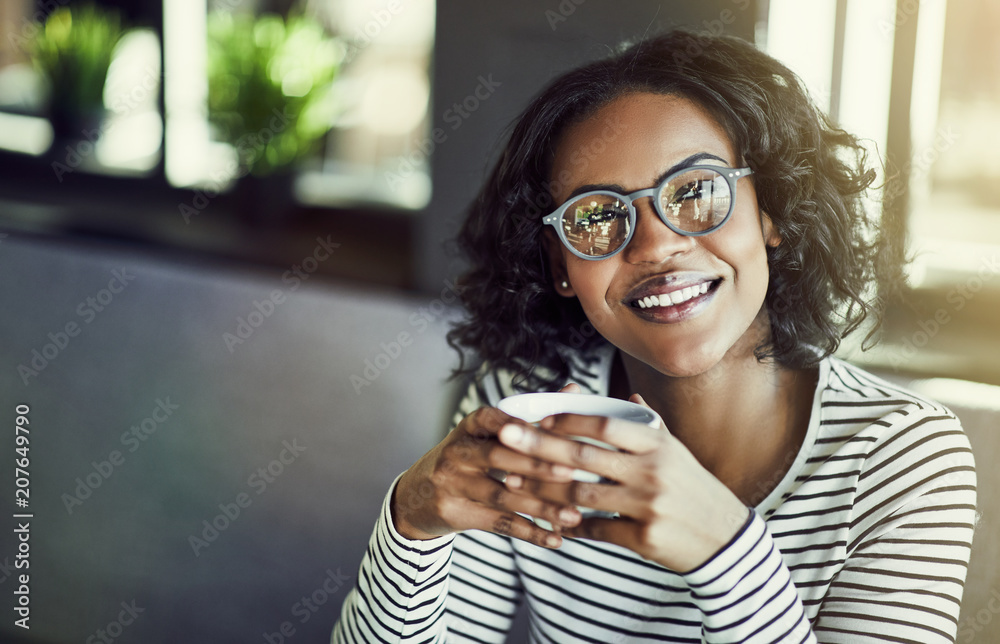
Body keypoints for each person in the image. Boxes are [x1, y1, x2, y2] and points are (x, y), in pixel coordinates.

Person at [332, 30, 977, 643]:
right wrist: (411, 519)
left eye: (697, 190)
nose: (656, 244)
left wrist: (723, 549)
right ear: (561, 266)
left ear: (772, 213)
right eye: (597, 216)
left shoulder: (902, 459)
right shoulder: (528, 401)